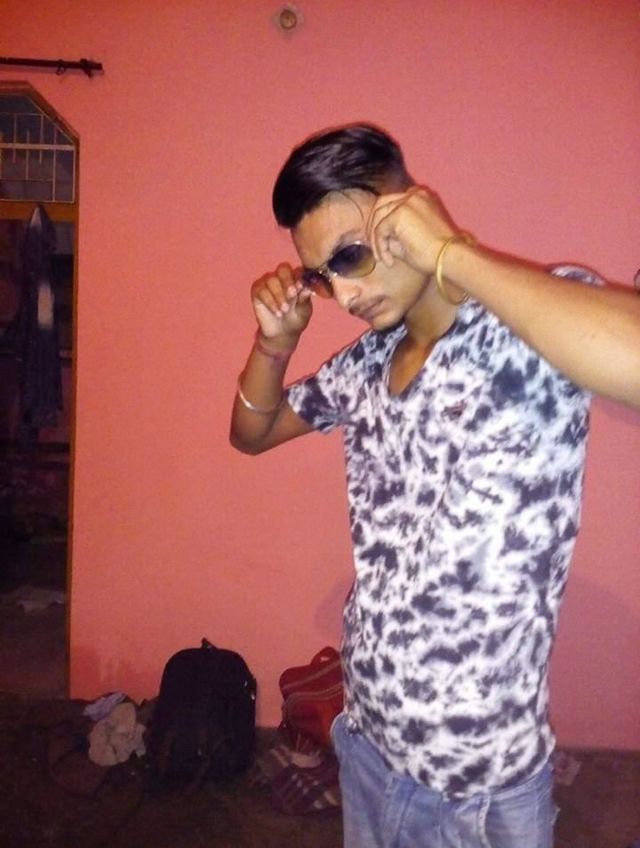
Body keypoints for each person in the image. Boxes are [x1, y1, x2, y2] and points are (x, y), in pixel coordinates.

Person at [230, 123, 640, 848]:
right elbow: (252, 433)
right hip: (367, 745)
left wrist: (453, 253)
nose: (344, 293)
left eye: (350, 256)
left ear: (409, 212)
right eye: (324, 276)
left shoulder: (525, 329)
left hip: (480, 791)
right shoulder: (368, 363)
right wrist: (274, 343)